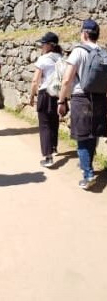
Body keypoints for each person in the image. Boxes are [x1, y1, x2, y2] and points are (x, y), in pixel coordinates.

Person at [58, 19, 106, 190]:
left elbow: (66, 80)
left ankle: (88, 174)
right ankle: (89, 166)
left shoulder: (79, 51)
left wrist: (61, 100)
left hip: (81, 98)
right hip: (100, 98)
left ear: (85, 33)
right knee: (93, 135)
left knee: (82, 137)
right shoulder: (102, 51)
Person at [29, 32, 63, 168]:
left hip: (45, 93)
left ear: (50, 45)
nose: (41, 46)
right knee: (54, 122)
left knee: (44, 125)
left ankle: (48, 157)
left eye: (43, 43)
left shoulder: (43, 59)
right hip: (58, 94)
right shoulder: (62, 58)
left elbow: (35, 80)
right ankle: (53, 148)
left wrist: (32, 95)